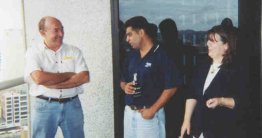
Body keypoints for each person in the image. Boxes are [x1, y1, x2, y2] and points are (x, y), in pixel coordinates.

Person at [24, 16, 89, 138]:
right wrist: (69, 75)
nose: (61, 34)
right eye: (56, 30)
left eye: (62, 29)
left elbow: (84, 77)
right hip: (44, 107)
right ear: (42, 32)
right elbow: (39, 78)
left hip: (72, 105)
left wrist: (53, 83)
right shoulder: (33, 52)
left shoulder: (74, 51)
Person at [180, 25, 248, 138]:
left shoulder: (237, 70)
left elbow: (243, 102)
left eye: (212, 41)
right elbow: (192, 94)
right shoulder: (202, 65)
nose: (207, 44)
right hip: (197, 131)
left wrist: (221, 101)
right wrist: (186, 120)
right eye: (208, 40)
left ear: (226, 46)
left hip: (221, 131)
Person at [120, 16, 181, 138]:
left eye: (130, 35)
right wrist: (124, 86)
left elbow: (172, 86)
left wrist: (153, 109)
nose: (127, 39)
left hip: (149, 116)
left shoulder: (161, 55)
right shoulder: (131, 55)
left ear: (141, 33)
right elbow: (122, 79)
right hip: (129, 114)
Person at [159, 18, 185, 138]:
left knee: (170, 124)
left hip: (169, 90)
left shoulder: (162, 49)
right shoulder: (182, 47)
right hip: (180, 90)